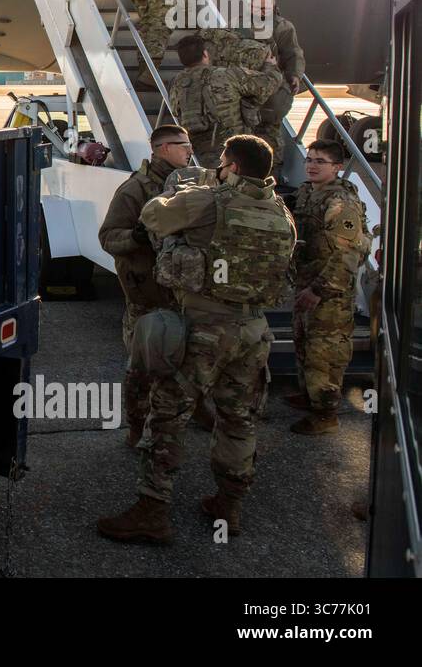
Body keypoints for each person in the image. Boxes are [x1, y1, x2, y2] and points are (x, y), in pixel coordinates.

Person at [98, 135, 296, 542]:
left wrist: (191, 189)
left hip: (206, 328)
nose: (218, 168)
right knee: (238, 419)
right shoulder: (280, 211)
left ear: (234, 167)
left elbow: (154, 216)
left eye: (222, 163)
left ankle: (152, 511)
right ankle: (230, 505)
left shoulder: (208, 201)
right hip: (254, 330)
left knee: (168, 416)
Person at [98, 124, 192, 445]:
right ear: (162, 149)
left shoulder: (192, 184)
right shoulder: (135, 190)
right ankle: (137, 425)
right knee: (141, 371)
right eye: (182, 145)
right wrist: (136, 237)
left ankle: (172, 425)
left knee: (180, 369)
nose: (189, 150)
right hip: (146, 297)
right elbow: (108, 237)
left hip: (181, 294)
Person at [287, 139, 370, 434]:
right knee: (304, 341)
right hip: (307, 280)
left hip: (329, 290)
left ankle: (325, 413)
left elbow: (348, 254)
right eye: (309, 159)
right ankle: (311, 395)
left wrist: (318, 290)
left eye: (320, 161)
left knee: (324, 351)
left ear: (337, 167)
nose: (311, 165)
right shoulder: (309, 193)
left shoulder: (339, 202)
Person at [248, 0, 305, 173]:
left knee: (270, 136)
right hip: (245, 88)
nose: (262, 11)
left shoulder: (282, 27)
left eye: (266, 7)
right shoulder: (239, 24)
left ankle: (273, 175)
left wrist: (294, 75)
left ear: (273, 6)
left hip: (271, 91)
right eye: (258, 7)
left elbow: (293, 53)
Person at [168, 36, 246, 167]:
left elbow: (175, 111)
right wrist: (270, 66)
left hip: (197, 148)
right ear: (205, 54)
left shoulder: (176, 82)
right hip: (228, 146)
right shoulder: (224, 74)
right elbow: (266, 85)